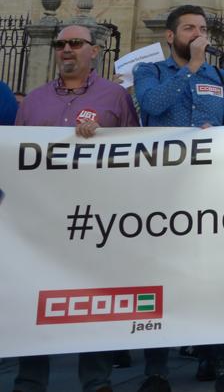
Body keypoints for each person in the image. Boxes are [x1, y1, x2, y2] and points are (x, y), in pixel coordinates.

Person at [12, 24, 137, 392]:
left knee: (92, 295)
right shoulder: (33, 100)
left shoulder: (115, 98)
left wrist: (105, 137)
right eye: (61, 44)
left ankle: (96, 380)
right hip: (41, 217)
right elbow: (17, 155)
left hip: (95, 216)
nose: (67, 49)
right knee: (34, 297)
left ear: (94, 51)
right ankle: (30, 380)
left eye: (76, 43)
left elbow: (135, 149)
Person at [134, 5, 224, 392]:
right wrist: (191, 68)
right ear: (171, 36)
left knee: (219, 280)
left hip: (213, 196)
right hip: (163, 194)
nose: (197, 34)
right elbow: (152, 106)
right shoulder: (150, 72)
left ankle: (223, 365)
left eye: (202, 28)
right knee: (160, 280)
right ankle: (156, 370)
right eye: (188, 28)